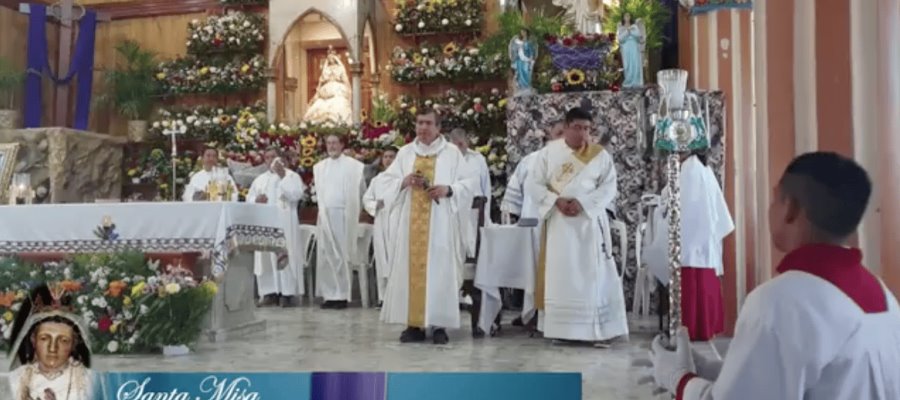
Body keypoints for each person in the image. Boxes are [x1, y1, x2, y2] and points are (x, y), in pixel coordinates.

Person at [648, 152, 900, 399]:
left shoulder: (777, 302)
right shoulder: (884, 296)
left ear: (790, 208)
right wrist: (708, 369)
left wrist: (677, 379)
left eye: (775, 199)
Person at [525, 107, 628, 345]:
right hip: (559, 225)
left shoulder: (600, 155)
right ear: (567, 127)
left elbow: (609, 187)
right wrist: (555, 201)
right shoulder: (548, 153)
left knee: (591, 275)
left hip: (588, 224)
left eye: (587, 129)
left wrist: (583, 203)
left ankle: (593, 332)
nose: (583, 133)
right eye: (578, 127)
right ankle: (562, 331)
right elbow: (534, 185)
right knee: (561, 274)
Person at [379, 108, 475, 345]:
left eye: (428, 123)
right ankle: (414, 325)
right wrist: (404, 181)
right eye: (419, 123)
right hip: (410, 224)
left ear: (438, 127)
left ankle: (439, 324)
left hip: (440, 224)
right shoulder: (405, 153)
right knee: (409, 270)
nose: (422, 127)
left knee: (440, 270)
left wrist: (448, 189)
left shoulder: (452, 153)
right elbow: (385, 182)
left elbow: (469, 184)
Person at [645, 152, 734, 341]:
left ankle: (690, 329)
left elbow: (687, 207)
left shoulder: (691, 170)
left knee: (691, 278)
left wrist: (664, 213)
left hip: (691, 238)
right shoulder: (701, 168)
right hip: (701, 239)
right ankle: (701, 328)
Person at [7, 284, 96, 400]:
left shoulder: (90, 381)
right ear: (34, 340)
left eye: (63, 340)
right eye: (44, 338)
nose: (52, 348)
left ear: (73, 345)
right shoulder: (15, 379)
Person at [247, 148, 308, 308]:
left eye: (273, 156)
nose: (270, 160)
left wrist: (282, 177)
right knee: (265, 258)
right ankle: (269, 292)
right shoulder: (259, 179)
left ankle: (287, 293)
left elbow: (296, 195)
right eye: (267, 157)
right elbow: (249, 198)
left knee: (285, 255)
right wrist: (256, 199)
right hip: (265, 223)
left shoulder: (291, 176)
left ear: (280, 159)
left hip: (284, 222)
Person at [313, 134, 366, 309]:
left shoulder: (354, 166)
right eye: (328, 143)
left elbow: (361, 191)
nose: (331, 146)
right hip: (326, 214)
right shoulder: (320, 167)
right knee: (327, 255)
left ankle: (342, 295)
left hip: (344, 214)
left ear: (342, 145)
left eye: (335, 142)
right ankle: (330, 295)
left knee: (342, 254)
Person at [501, 120, 565, 222]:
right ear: (550, 135)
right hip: (533, 231)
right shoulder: (529, 162)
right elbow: (510, 207)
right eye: (560, 133)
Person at [362, 146, 399, 307]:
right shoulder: (377, 180)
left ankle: (398, 297)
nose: (388, 160)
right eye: (386, 157)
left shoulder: (403, 179)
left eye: (392, 156)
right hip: (381, 220)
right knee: (381, 259)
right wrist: (375, 204)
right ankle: (383, 297)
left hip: (397, 222)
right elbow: (366, 199)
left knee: (396, 258)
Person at [448, 128, 492, 258]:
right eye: (455, 144)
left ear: (467, 142)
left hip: (478, 209)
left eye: (461, 143)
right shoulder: (447, 160)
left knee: (479, 246)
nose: (458, 147)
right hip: (456, 209)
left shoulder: (478, 159)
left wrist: (486, 213)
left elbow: (486, 186)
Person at [617, 13, 646, 89]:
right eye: (625, 16)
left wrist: (630, 31)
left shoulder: (634, 26)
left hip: (634, 46)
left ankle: (636, 82)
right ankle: (628, 81)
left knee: (635, 63)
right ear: (623, 18)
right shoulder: (621, 28)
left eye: (628, 16)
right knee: (628, 65)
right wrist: (627, 31)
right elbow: (620, 39)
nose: (627, 17)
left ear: (630, 17)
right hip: (626, 48)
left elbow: (638, 35)